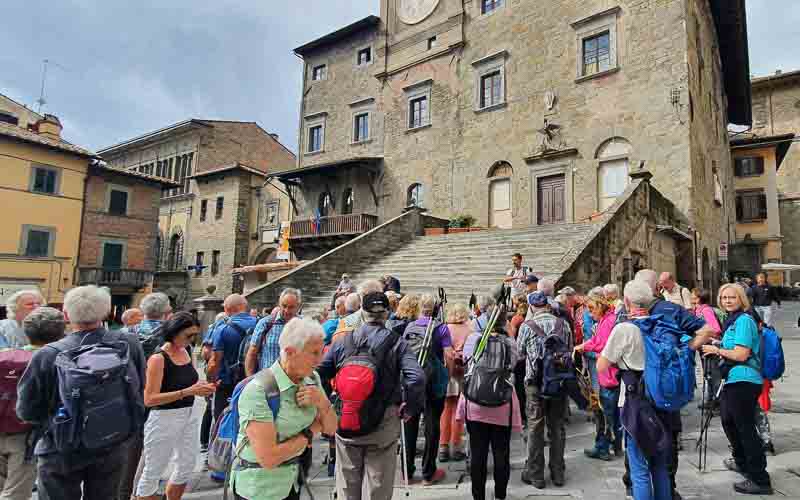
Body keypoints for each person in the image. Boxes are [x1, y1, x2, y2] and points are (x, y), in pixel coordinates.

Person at [17, 285, 145, 500]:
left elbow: (27, 410)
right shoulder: (128, 343)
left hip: (61, 445)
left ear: (66, 315)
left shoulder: (49, 354)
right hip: (113, 440)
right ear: (106, 312)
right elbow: (138, 386)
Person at [318, 292, 425, 500]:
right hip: (383, 420)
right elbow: (417, 378)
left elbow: (320, 372)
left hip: (347, 416)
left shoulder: (343, 341)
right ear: (387, 314)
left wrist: (328, 405)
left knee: (347, 483)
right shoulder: (397, 343)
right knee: (379, 484)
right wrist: (409, 407)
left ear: (363, 313)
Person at [231, 318, 337, 500]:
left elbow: (332, 428)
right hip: (259, 489)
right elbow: (269, 458)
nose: (321, 359)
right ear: (290, 352)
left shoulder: (312, 378)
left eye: (321, 351)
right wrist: (311, 432)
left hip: (292, 482)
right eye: (314, 353)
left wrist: (322, 403)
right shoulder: (258, 391)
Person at [598, 280, 672, 500]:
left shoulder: (625, 329)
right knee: (659, 464)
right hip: (660, 396)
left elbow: (602, 365)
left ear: (627, 301)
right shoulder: (662, 324)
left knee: (639, 468)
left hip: (634, 399)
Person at [136, 312, 217, 500]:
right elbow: (149, 399)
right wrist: (188, 392)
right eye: (188, 335)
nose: (192, 339)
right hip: (164, 418)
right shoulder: (158, 358)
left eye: (194, 335)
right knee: (153, 471)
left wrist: (202, 388)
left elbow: (189, 384)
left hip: (188, 415)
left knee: (186, 466)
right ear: (174, 331)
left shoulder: (186, 351)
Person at [701, 284, 773, 495]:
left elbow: (741, 354)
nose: (727, 300)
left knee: (746, 428)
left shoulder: (744, 320)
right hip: (733, 380)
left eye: (732, 297)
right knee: (728, 421)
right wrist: (717, 342)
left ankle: (760, 479)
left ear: (741, 299)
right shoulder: (732, 321)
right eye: (723, 297)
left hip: (744, 379)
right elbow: (732, 346)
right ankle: (742, 462)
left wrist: (716, 349)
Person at [0, 307, 64, 500]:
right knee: (17, 493)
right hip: (28, 436)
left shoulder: (5, 355)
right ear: (61, 334)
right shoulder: (57, 361)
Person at [456, 312, 522, 500]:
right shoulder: (509, 342)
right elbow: (514, 363)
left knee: (478, 452)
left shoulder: (474, 339)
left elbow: (467, 363)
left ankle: (478, 496)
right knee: (501, 452)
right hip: (502, 399)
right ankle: (500, 494)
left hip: (476, 399)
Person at [517, 291, 572, 489]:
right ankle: (558, 472)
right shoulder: (563, 325)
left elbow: (520, 352)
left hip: (534, 382)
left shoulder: (527, 326)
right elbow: (569, 349)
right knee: (557, 427)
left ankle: (536, 474)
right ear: (548, 305)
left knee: (535, 427)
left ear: (532, 307)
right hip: (558, 382)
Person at [402, 293, 454, 485]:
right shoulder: (440, 328)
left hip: (412, 381)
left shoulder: (410, 326)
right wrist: (447, 375)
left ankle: (407, 471)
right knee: (432, 426)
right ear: (436, 308)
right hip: (433, 381)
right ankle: (428, 473)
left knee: (410, 424)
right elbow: (448, 355)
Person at [575, 287, 621, 461]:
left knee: (604, 413)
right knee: (610, 413)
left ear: (601, 306)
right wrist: (582, 347)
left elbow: (600, 343)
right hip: (609, 373)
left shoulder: (608, 321)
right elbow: (595, 341)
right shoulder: (606, 319)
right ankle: (614, 446)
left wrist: (584, 347)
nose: (590, 312)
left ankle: (602, 448)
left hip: (608, 374)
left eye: (592, 308)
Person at [208, 294, 258, 423]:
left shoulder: (222, 328)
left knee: (223, 421)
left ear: (226, 309)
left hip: (227, 383)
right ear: (245, 306)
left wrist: (212, 381)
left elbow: (214, 361)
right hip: (254, 381)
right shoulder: (260, 324)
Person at [439, 303, 471, 463]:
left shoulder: (444, 328)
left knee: (446, 409)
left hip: (447, 371)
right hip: (463, 371)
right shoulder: (469, 327)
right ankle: (456, 446)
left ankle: (443, 446)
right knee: (459, 410)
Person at [245, 288, 301, 377]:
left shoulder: (303, 325)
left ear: (298, 306)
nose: (286, 310)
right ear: (279, 304)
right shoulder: (265, 323)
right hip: (268, 381)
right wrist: (250, 379)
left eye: (291, 307)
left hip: (294, 382)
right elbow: (252, 353)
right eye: (284, 306)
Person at [200, 311, 227, 452]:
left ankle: (205, 442)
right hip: (216, 374)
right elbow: (206, 352)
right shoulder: (218, 330)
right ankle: (209, 445)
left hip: (213, 372)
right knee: (212, 408)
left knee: (210, 408)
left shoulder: (213, 329)